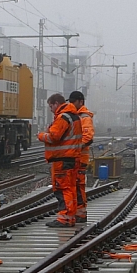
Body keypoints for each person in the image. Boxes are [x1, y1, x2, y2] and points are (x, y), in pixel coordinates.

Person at [37, 93, 84, 228]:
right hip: (72, 158)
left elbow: (54, 136)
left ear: (56, 104)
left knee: (63, 189)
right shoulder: (74, 116)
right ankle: (70, 216)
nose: (50, 109)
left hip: (62, 159)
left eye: (51, 106)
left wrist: (41, 136)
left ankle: (64, 218)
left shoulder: (63, 117)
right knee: (71, 188)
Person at [69, 90, 94, 223]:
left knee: (78, 186)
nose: (72, 105)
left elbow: (88, 137)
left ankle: (81, 214)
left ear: (81, 102)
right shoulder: (75, 116)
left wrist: (74, 148)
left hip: (80, 158)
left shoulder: (84, 117)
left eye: (74, 102)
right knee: (74, 186)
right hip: (74, 158)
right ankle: (77, 212)